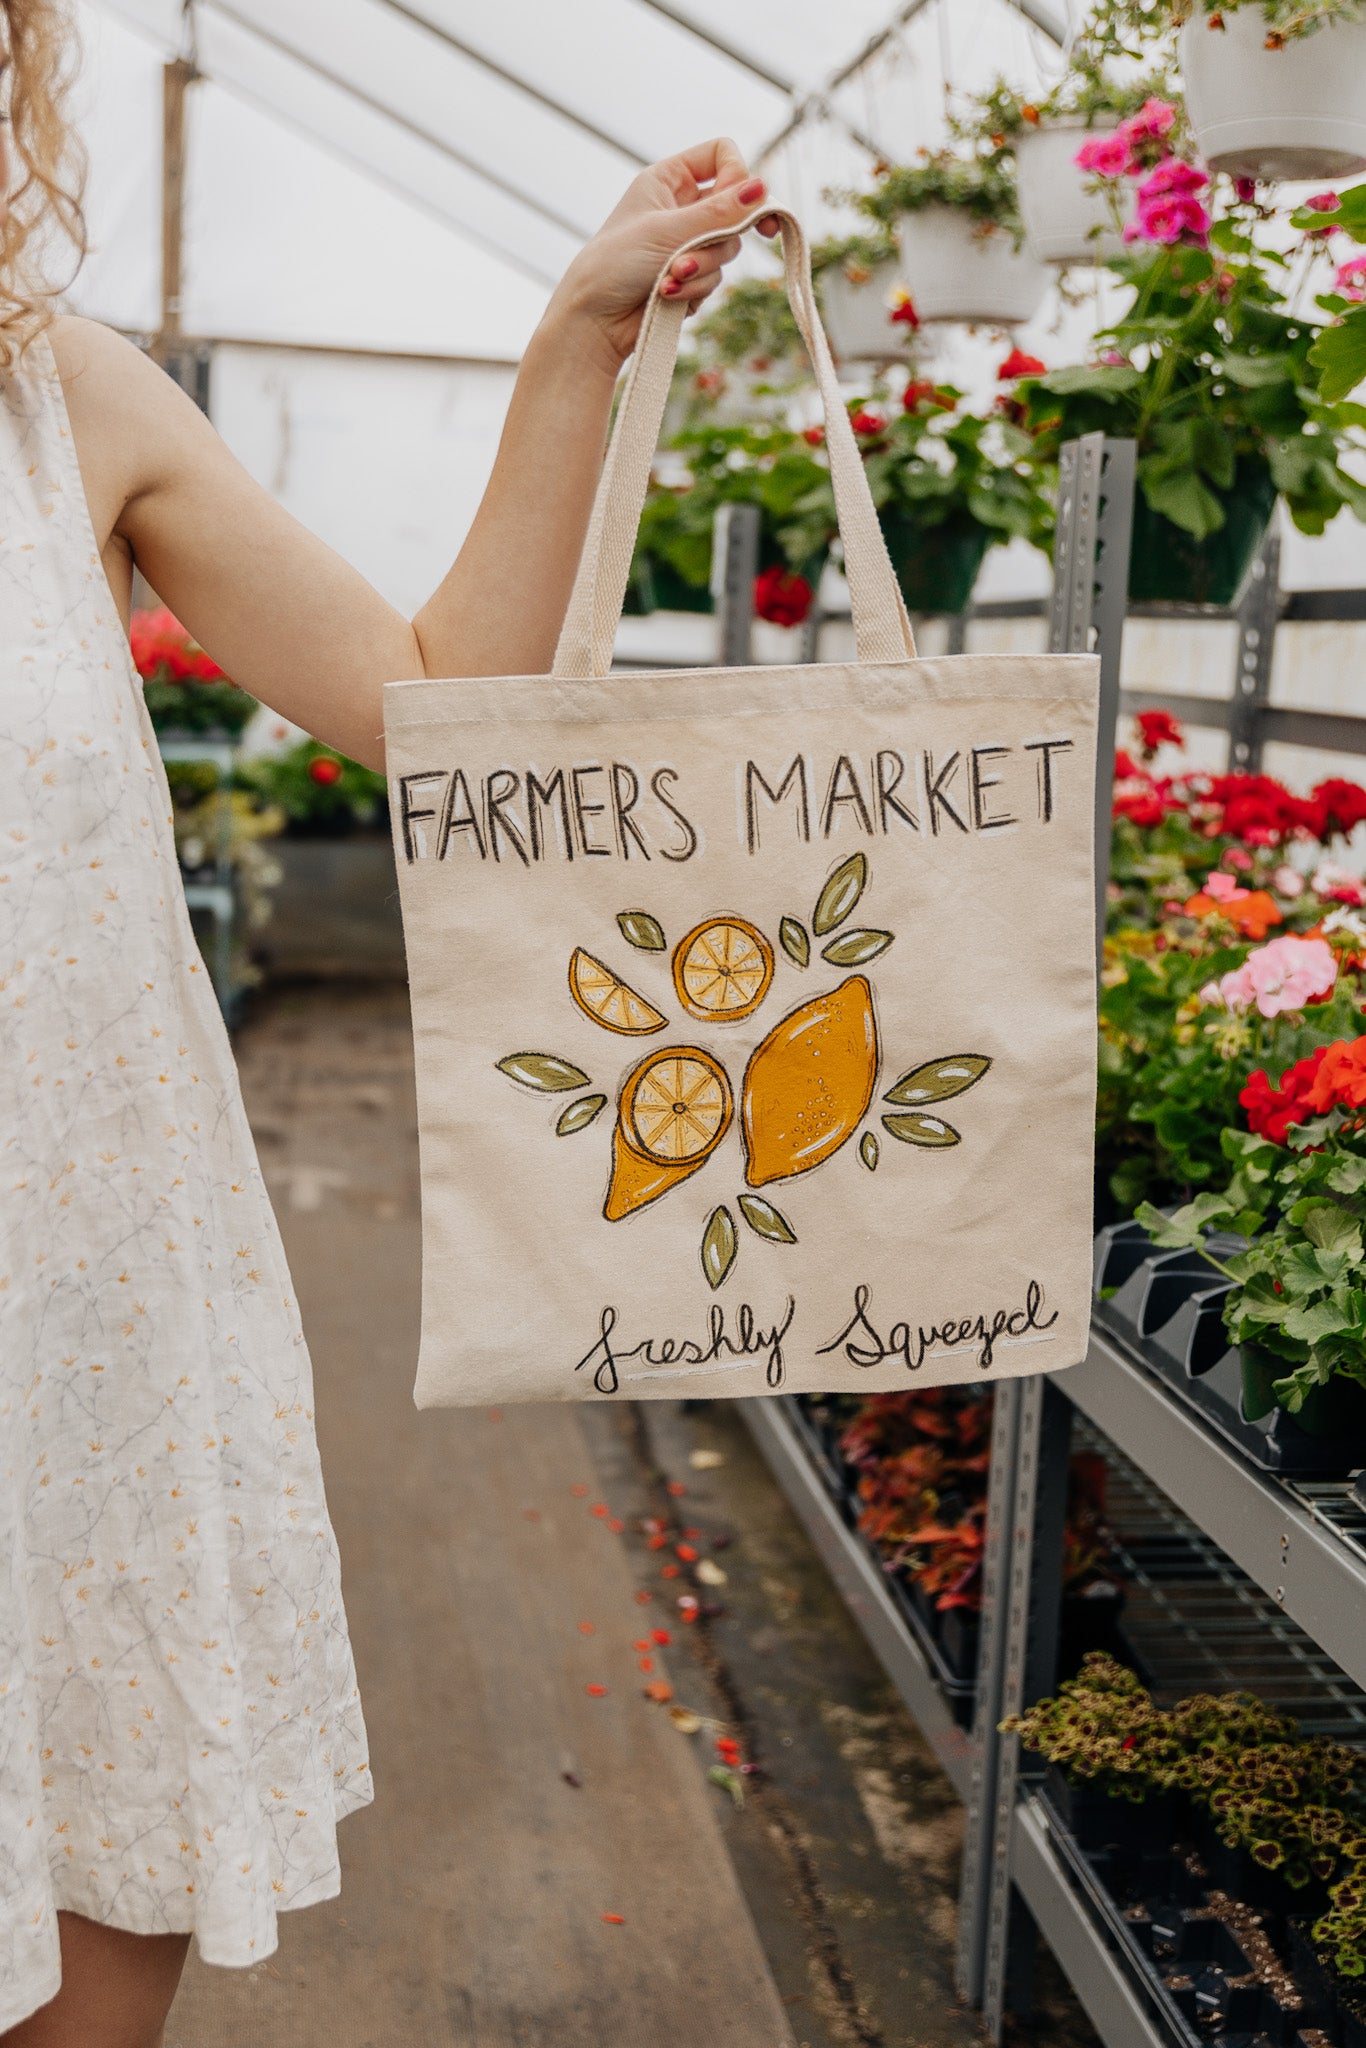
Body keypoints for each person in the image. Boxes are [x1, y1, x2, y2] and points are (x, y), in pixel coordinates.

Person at [0, 3, 778, 2040]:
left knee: (94, 1842)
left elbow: (433, 698)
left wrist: (578, 335)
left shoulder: (60, 398)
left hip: (71, 1324)